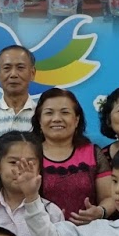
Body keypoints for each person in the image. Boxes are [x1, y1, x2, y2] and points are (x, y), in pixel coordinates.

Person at [34, 86, 104, 224]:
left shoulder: (93, 153)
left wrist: (100, 211)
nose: (57, 119)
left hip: (88, 232)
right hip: (40, 233)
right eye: (49, 113)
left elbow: (109, 197)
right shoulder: (30, 154)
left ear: (76, 120)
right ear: (39, 121)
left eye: (65, 112)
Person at [0, 45, 37, 134]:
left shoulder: (41, 115)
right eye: (7, 68)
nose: (13, 74)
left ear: (32, 73)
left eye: (20, 68)